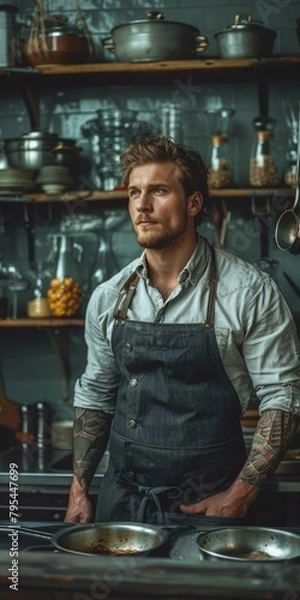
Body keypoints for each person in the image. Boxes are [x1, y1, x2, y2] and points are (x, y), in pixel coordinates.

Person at [65, 135, 300, 526]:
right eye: (134, 192)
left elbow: (283, 396)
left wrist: (239, 495)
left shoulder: (248, 292)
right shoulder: (109, 298)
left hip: (211, 504)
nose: (141, 205)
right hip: (123, 503)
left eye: (158, 190)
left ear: (193, 203)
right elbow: (96, 395)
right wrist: (78, 490)